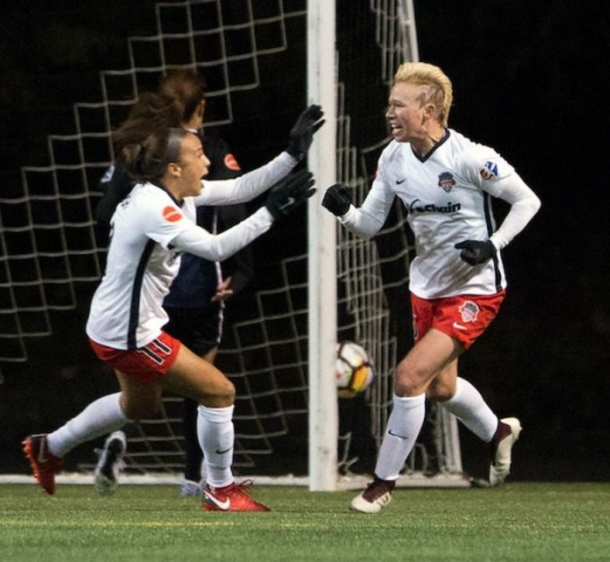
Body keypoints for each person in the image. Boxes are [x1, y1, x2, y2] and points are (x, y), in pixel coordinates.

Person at [23, 98, 323, 512]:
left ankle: (48, 447)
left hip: (115, 325)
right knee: (220, 392)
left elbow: (239, 187)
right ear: (174, 168)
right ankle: (220, 489)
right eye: (199, 155)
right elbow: (217, 248)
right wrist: (270, 214)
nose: (207, 162)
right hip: (130, 335)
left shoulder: (175, 193)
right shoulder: (156, 207)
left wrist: (291, 154)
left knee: (138, 406)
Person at [322, 61, 541, 513]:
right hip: (427, 288)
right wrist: (344, 211)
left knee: (408, 378)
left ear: (430, 110)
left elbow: (527, 200)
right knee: (440, 389)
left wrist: (492, 243)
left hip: (476, 289)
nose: (390, 113)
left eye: (399, 105)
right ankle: (498, 432)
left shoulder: (469, 156)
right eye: (389, 104)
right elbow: (369, 223)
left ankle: (380, 485)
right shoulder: (393, 157)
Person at [95, 69, 254, 497]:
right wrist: (243, 271)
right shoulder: (207, 149)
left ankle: (115, 438)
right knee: (208, 389)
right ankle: (198, 480)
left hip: (144, 298)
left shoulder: (137, 153)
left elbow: (104, 214)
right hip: (198, 287)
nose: (200, 164)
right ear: (201, 107)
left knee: (143, 396)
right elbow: (234, 205)